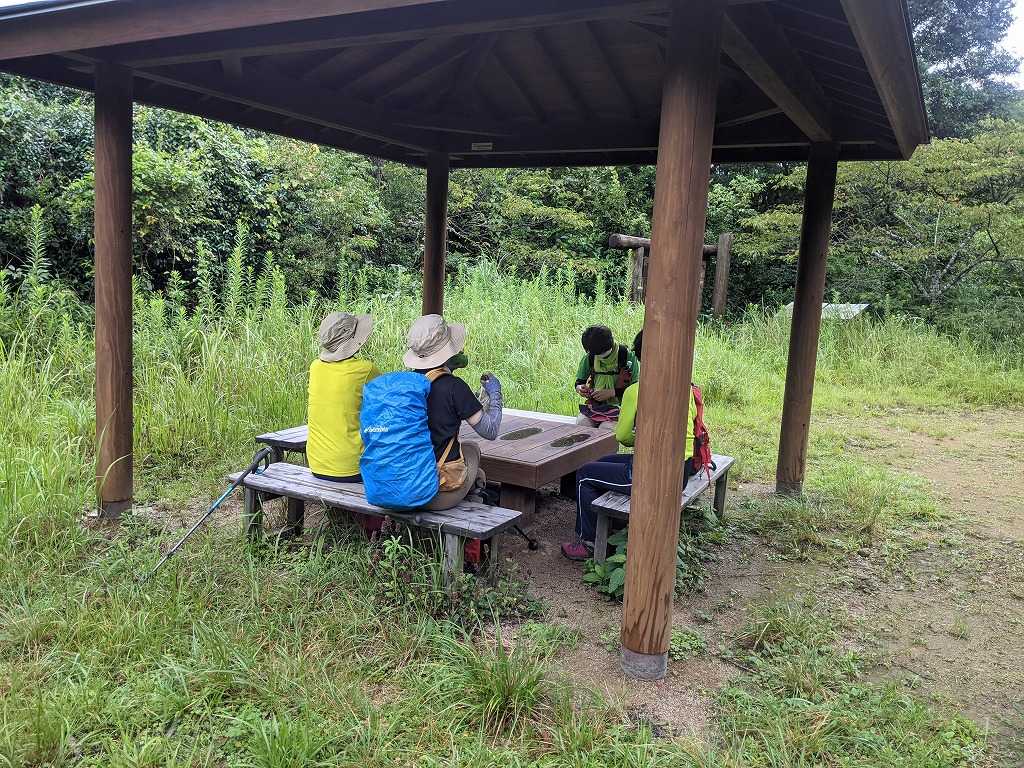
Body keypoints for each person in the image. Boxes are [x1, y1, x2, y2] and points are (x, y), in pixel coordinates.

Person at [561, 330, 697, 561]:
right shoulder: (685, 386)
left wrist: (642, 438)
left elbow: (623, 436)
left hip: (651, 474)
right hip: (682, 470)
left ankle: (588, 543)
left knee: (584, 475)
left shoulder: (636, 390)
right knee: (601, 462)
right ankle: (610, 525)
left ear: (642, 356)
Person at [403, 314, 503, 510]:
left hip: (402, 486)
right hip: (435, 495)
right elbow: (490, 431)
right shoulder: (454, 387)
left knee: (475, 471)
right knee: (472, 449)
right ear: (447, 352)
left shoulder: (405, 384)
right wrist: (496, 394)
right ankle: (474, 504)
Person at [307, 311, 380, 483]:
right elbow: (388, 404)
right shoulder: (365, 369)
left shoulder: (315, 367)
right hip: (353, 467)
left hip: (317, 464)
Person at [574, 324, 639, 427]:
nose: (599, 356)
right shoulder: (590, 357)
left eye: (601, 353)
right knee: (582, 424)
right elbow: (579, 382)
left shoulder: (627, 356)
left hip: (621, 408)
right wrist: (580, 388)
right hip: (595, 407)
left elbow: (636, 390)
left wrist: (612, 392)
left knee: (606, 428)